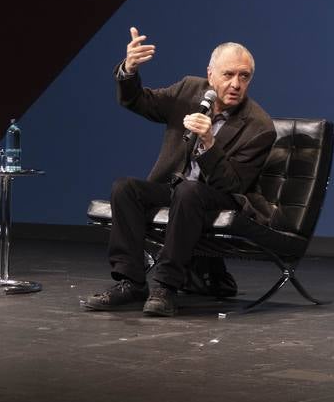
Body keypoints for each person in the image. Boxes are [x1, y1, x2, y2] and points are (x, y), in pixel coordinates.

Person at [83, 27, 276, 316]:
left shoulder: (259, 126)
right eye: (228, 75)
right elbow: (139, 101)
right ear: (210, 74)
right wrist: (129, 70)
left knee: (189, 191)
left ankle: (164, 287)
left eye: (244, 76)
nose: (236, 84)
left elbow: (233, 185)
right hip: (177, 188)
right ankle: (130, 282)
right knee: (125, 188)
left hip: (221, 196)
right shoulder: (189, 90)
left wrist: (209, 144)